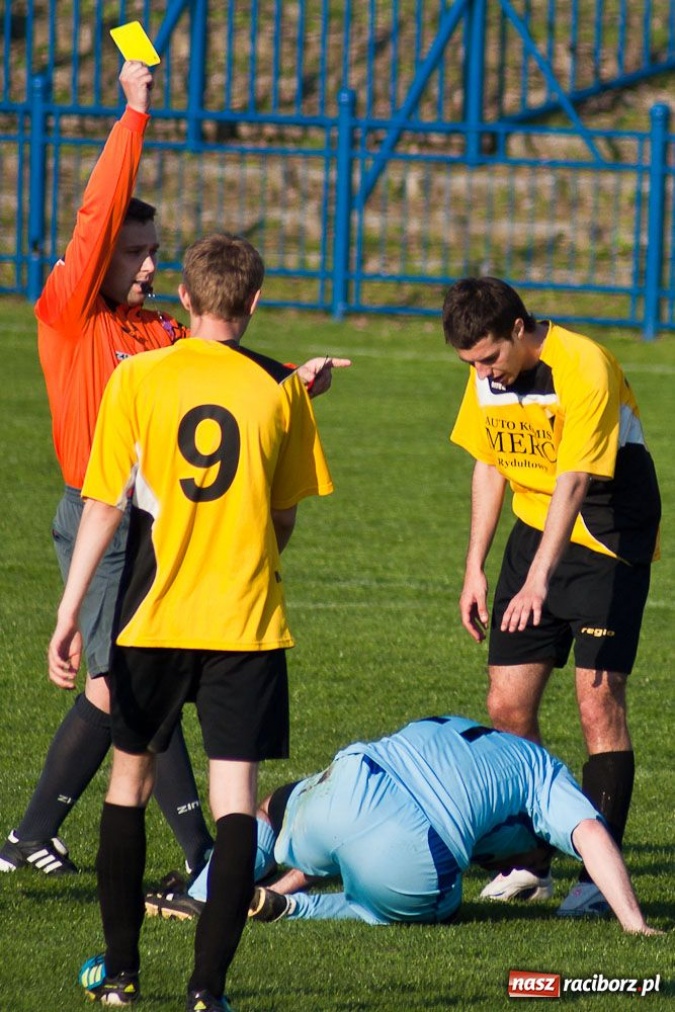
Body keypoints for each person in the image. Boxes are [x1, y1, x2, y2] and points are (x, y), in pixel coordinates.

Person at [0, 59, 348, 879]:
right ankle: (194, 854)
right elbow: (94, 219)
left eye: (156, 251)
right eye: (134, 252)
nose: (150, 267)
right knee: (128, 687)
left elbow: (217, 376)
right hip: (103, 518)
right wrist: (134, 114)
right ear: (97, 257)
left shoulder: (157, 331)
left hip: (164, 523)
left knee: (137, 685)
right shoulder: (72, 311)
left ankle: (37, 837)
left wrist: (290, 383)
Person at [48, 231, 334, 1011]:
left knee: (128, 784)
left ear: (184, 297)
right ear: (255, 302)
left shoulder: (138, 376)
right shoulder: (279, 389)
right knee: (235, 800)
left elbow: (104, 503)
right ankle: (208, 991)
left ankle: (122, 974)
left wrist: (71, 613)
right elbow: (283, 518)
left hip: (152, 618)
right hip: (244, 624)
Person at [442, 277, 661, 916]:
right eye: (471, 365)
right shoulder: (490, 375)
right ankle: (530, 861)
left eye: (488, 359)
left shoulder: (583, 365)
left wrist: (538, 580)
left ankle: (598, 876)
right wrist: (474, 569)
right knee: (506, 705)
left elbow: (573, 479)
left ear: (518, 329)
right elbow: (488, 463)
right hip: (536, 526)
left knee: (598, 702)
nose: (483, 373)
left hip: (607, 529)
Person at [144, 715, 659, 936]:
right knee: (428, 903)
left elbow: (355, 831)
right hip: (415, 850)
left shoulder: (470, 733)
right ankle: (294, 909)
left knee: (268, 811)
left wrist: (283, 873)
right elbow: (592, 832)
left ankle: (205, 890)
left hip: (352, 780)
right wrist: (634, 922)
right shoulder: (546, 776)